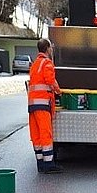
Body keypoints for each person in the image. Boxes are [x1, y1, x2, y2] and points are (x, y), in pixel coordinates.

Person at [28, 38, 62, 174]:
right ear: (47, 48)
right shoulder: (47, 63)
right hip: (42, 104)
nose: (52, 50)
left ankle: (40, 163)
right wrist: (59, 92)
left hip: (32, 105)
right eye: (51, 48)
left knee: (36, 135)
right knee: (45, 134)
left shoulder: (35, 64)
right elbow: (50, 81)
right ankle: (49, 164)